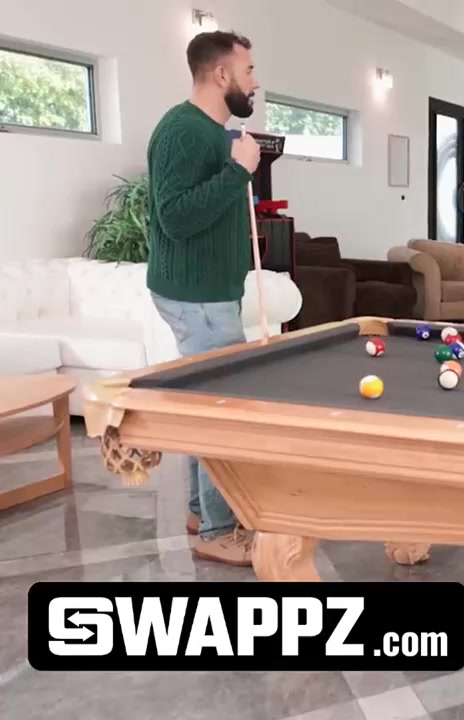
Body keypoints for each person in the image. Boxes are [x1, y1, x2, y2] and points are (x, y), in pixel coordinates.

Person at [145, 30, 261, 565]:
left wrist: (238, 166)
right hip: (199, 300)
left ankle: (200, 511)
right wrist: (238, 171)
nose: (254, 81)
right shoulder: (183, 131)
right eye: (248, 70)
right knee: (223, 414)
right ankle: (219, 531)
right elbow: (175, 216)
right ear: (221, 74)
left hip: (210, 295)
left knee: (203, 407)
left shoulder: (213, 132)